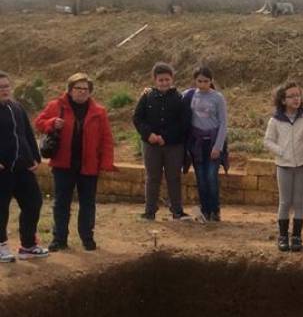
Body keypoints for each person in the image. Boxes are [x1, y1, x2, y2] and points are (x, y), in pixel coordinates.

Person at [35, 73, 114, 251]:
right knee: (61, 203)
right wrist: (52, 122)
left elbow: (106, 139)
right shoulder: (56, 106)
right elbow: (39, 123)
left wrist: (106, 163)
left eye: (85, 89)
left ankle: (87, 238)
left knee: (88, 203)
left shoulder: (99, 112)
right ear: (70, 90)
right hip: (63, 165)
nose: (82, 92)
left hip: (88, 166)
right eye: (78, 88)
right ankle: (59, 239)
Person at [263, 81, 303, 251]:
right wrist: (281, 151)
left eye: (298, 95)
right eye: (291, 96)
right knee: (285, 202)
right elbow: (267, 141)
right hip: (284, 166)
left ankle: (296, 236)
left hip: (302, 165)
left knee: (299, 201)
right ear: (282, 100)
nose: (296, 99)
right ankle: (282, 236)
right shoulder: (275, 120)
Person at [133, 62, 192, 221]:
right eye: (161, 80)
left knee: (174, 177)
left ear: (172, 79)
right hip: (151, 145)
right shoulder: (146, 97)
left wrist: (165, 137)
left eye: (167, 79)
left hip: (173, 146)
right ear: (155, 80)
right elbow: (137, 118)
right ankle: (149, 211)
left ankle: (177, 211)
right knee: (152, 178)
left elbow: (184, 123)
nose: (164, 83)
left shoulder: (180, 99)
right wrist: (149, 134)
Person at [0, 70, 48, 262]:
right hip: (3, 169)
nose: (4, 90)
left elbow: (27, 134)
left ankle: (28, 245)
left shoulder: (17, 107)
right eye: (0, 87)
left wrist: (35, 157)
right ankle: (1, 245)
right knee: (1, 208)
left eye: (6, 86)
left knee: (33, 202)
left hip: (22, 167)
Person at [184, 66, 227, 222]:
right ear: (195, 81)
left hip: (213, 142)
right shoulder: (189, 95)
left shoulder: (217, 98)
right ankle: (205, 210)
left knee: (211, 177)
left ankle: (215, 210)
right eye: (199, 81)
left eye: (206, 81)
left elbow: (223, 123)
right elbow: (173, 97)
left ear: (211, 81)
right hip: (197, 144)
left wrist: (218, 147)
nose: (202, 84)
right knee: (200, 178)